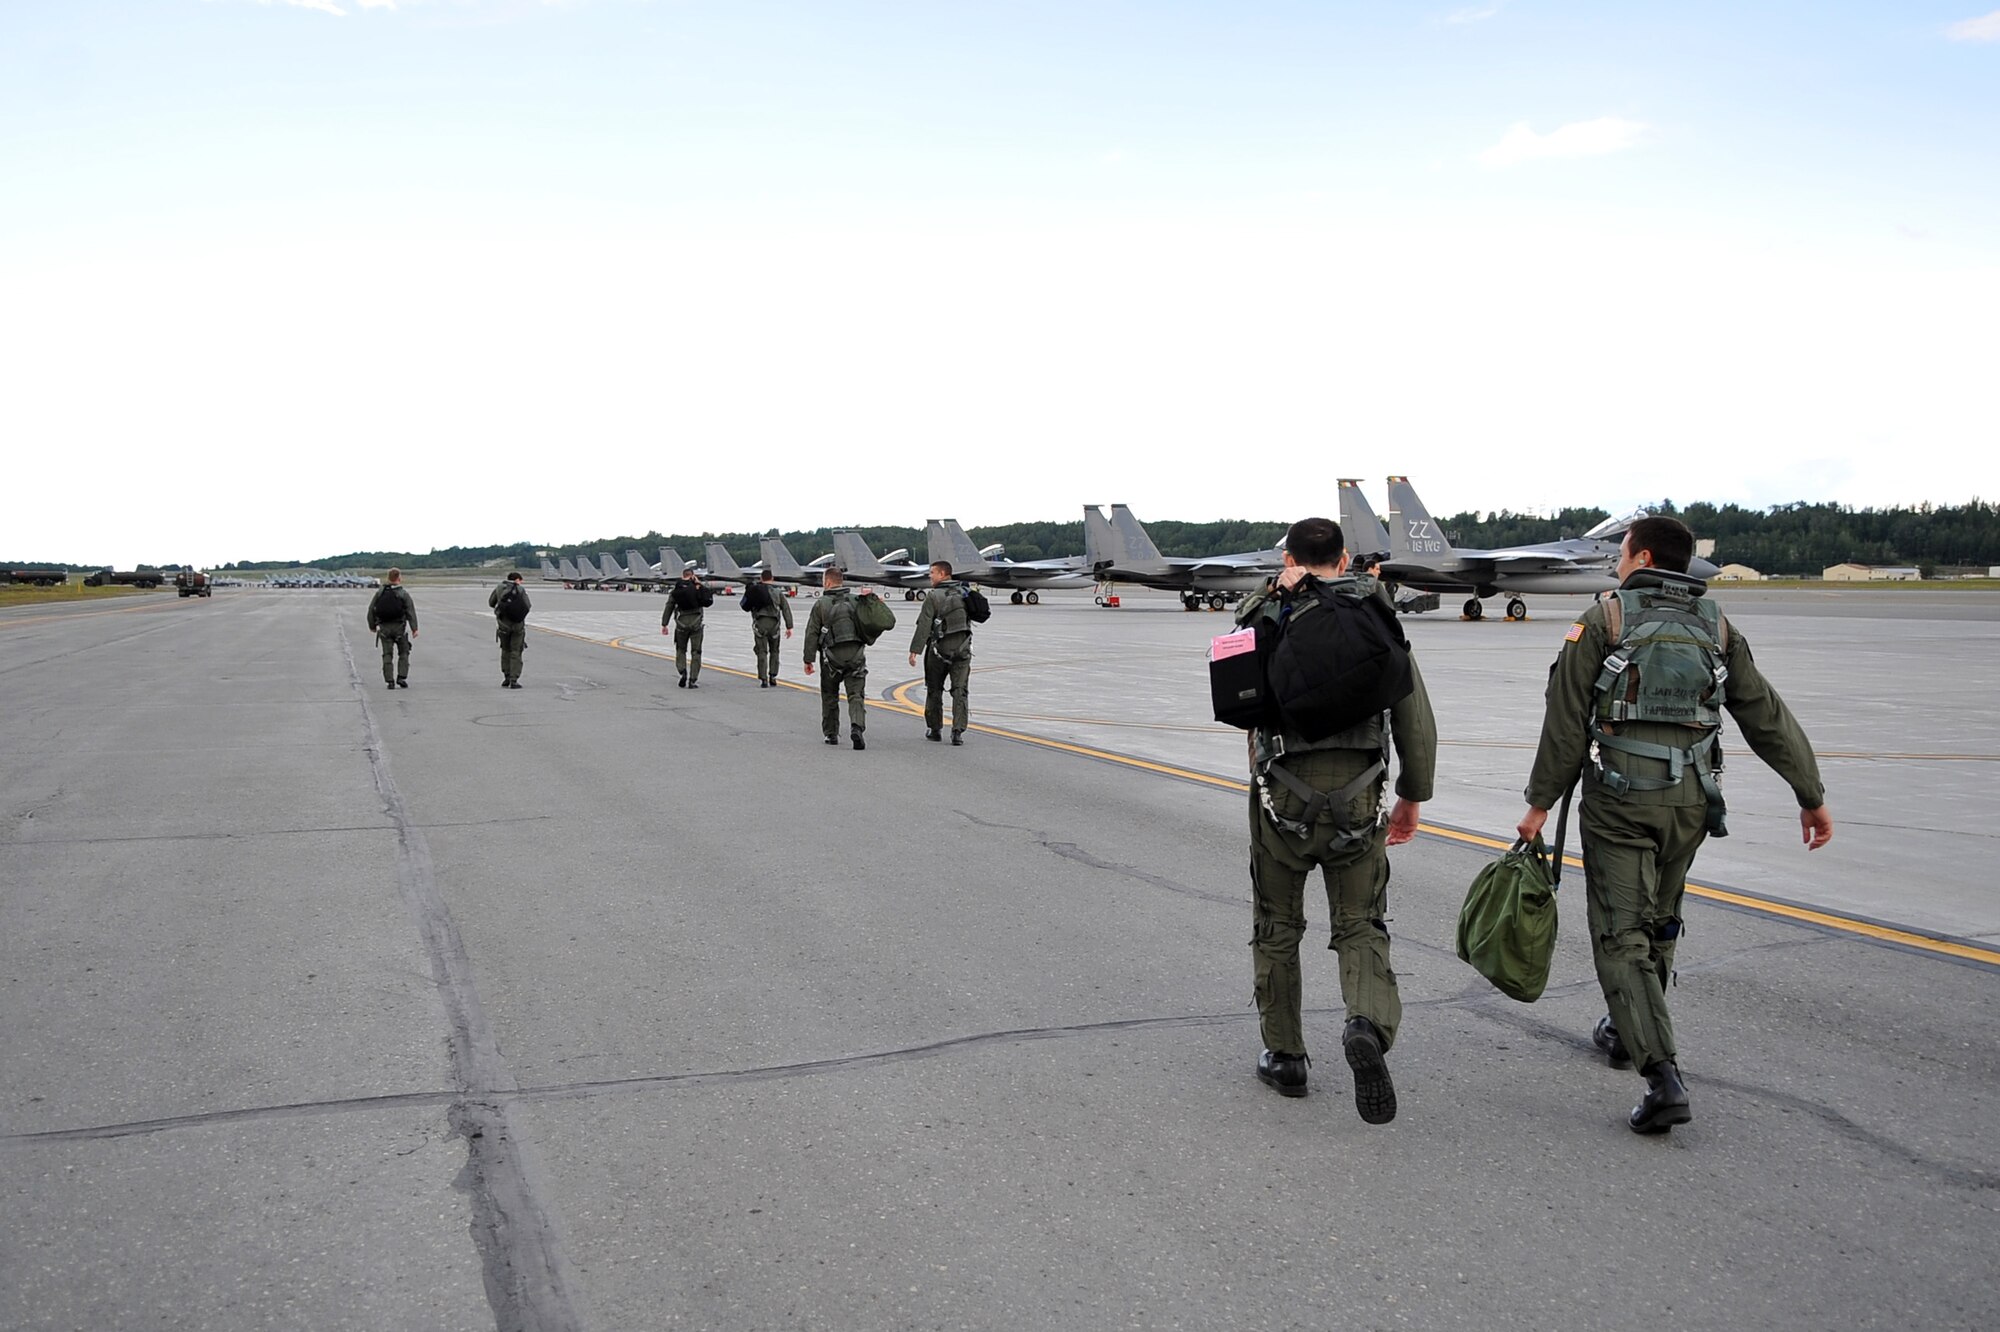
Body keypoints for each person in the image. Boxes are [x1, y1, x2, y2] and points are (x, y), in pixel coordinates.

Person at [1516, 515, 1833, 1134]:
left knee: (1620, 933)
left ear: (1643, 556)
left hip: (1620, 803)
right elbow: (1763, 712)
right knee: (1660, 918)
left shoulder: (1601, 620)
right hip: (1693, 801)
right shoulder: (1715, 624)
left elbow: (1566, 720)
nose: (1615, 561)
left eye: (1622, 551)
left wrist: (1538, 804)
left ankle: (1662, 1075)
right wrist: (1810, 792)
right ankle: (1624, 1029)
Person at [1239, 517, 1435, 1124]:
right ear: (1345, 557)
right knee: (1360, 923)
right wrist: (1412, 794)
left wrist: (1272, 596)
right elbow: (1415, 716)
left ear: (1289, 556)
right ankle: (1366, 1025)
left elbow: (1234, 692)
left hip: (1283, 795)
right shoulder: (1376, 614)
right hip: (1359, 794)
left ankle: (1287, 1055)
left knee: (1277, 925)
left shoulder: (1267, 611)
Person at [802, 565, 873, 750]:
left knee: (829, 695)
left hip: (831, 659)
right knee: (856, 695)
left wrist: (808, 659)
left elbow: (812, 633)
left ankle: (831, 733)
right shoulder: (856, 601)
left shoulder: (821, 605)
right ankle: (857, 727)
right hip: (856, 656)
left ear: (827, 582)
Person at [908, 560, 974, 744]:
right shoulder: (965, 593)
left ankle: (935, 729)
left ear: (943, 574)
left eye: (932, 573)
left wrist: (915, 650)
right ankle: (957, 731)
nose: (930, 576)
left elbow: (924, 625)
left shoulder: (933, 596)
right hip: (963, 650)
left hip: (938, 651)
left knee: (934, 689)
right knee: (960, 690)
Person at [661, 562, 715, 688]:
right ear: (692, 576)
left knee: (681, 649)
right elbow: (707, 601)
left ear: (682, 576)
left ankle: (682, 671)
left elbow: (669, 607)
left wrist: (664, 624)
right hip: (696, 623)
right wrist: (699, 584)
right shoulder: (697, 588)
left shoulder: (676, 591)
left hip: (681, 623)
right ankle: (693, 679)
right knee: (696, 652)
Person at [366, 568, 418, 689]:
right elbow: (410, 611)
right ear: (399, 578)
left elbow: (371, 610)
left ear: (388, 578)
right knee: (404, 652)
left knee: (387, 654)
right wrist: (414, 628)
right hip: (399, 628)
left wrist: (372, 626)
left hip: (384, 628)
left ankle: (390, 681)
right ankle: (401, 677)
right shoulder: (403, 594)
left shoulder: (380, 592)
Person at [741, 568, 793, 687]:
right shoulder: (778, 592)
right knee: (775, 651)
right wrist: (789, 626)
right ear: (772, 579)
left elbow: (746, 606)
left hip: (760, 625)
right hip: (774, 626)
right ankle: (773, 676)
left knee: (762, 651)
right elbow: (785, 609)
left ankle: (763, 678)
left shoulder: (756, 591)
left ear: (761, 579)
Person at [488, 570, 531, 688]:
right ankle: (514, 680)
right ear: (517, 580)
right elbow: (528, 605)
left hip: (503, 625)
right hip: (517, 625)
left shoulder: (499, 588)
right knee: (516, 651)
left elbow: (491, 603)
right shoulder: (520, 590)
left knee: (505, 650)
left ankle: (506, 677)